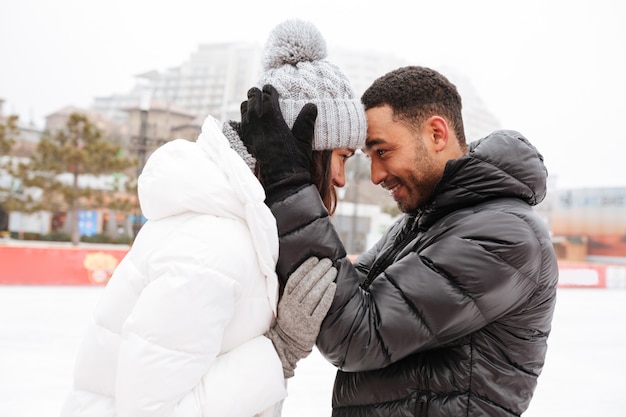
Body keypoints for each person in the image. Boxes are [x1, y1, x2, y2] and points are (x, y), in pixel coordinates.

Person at [60, 18, 367, 417]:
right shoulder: (214, 246)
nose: (342, 179)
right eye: (342, 158)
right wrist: (280, 351)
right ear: (306, 149)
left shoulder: (241, 228)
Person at [240, 66, 559, 416]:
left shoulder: (505, 236)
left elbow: (358, 334)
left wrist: (290, 186)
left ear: (436, 134)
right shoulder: (426, 219)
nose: (375, 175)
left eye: (383, 152)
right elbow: (344, 290)